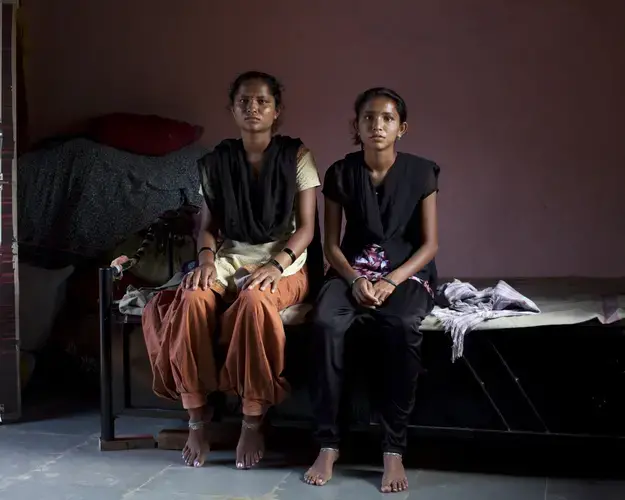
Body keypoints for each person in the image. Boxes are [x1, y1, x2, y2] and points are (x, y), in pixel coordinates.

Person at [142, 71, 320, 470]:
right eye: (244, 101)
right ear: (232, 108)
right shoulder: (217, 161)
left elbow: (307, 229)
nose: (252, 108)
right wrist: (206, 262)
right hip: (229, 258)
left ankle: (252, 419)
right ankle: (196, 418)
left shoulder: (297, 156)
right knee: (189, 299)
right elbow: (207, 226)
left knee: (256, 301)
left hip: (285, 263)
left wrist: (275, 266)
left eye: (262, 102)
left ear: (277, 111)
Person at [304, 88, 440, 493]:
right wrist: (355, 280)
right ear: (356, 125)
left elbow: (430, 244)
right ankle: (328, 443)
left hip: (405, 274)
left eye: (387, 118)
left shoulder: (422, 172)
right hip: (351, 271)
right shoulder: (340, 173)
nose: (377, 125)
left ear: (402, 127)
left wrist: (390, 281)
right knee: (326, 324)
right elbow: (330, 244)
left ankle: (393, 450)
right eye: (368, 117)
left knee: (401, 327)